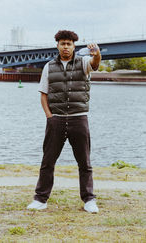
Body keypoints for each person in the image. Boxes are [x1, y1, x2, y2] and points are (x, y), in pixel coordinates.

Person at [27, 30, 101, 213]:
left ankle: (89, 200)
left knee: (84, 162)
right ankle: (40, 199)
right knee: (48, 161)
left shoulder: (84, 63)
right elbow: (43, 94)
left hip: (79, 118)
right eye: (63, 43)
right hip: (56, 120)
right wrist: (49, 117)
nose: (66, 47)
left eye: (69, 43)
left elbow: (95, 64)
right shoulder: (49, 67)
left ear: (74, 46)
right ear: (57, 46)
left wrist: (97, 54)